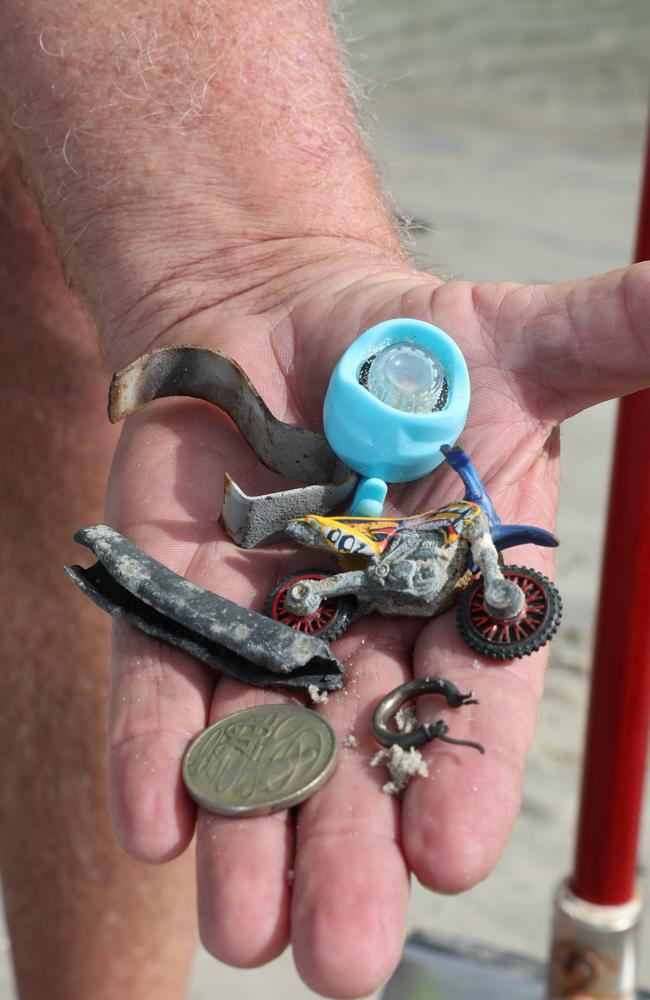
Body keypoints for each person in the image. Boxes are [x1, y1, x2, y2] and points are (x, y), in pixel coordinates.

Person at [0, 3, 648, 998]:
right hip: (327, 540)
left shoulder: (441, 512)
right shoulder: (336, 520)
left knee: (46, 282)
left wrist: (271, 246)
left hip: (372, 520)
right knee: (34, 265)